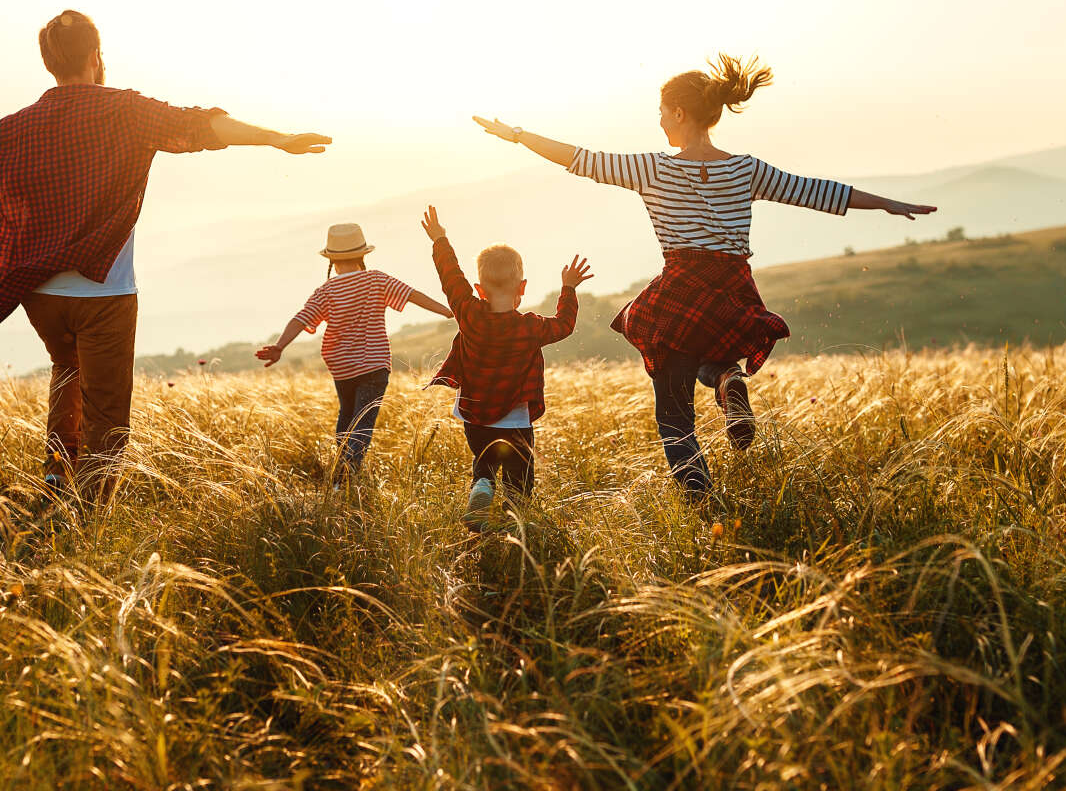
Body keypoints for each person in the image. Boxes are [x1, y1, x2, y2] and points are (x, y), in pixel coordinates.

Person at [0, 9, 332, 501]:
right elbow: (201, 126)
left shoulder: (13, 128)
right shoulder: (126, 110)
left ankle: (55, 478)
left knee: (66, 371)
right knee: (107, 413)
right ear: (96, 56)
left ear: (50, 63)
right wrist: (277, 139)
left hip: (40, 296)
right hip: (105, 294)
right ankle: (89, 516)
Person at [472, 54, 936, 498]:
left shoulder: (653, 168)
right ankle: (727, 379)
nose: (658, 121)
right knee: (707, 352)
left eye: (660, 112)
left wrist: (516, 135)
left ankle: (703, 502)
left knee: (673, 413)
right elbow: (814, 191)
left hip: (682, 286)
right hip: (733, 286)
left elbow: (579, 158)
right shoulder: (745, 168)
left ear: (678, 111)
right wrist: (887, 203)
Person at [419, 205, 592, 530]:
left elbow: (451, 278)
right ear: (522, 288)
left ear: (479, 289)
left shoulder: (468, 312)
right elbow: (564, 325)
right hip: (515, 418)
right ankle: (514, 525)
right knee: (519, 476)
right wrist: (568, 288)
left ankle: (483, 484)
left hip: (474, 414)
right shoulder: (530, 327)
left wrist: (440, 240)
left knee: (485, 460)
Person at [255, 223, 453, 481]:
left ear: (332, 260)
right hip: (374, 365)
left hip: (342, 367)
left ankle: (341, 472)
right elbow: (413, 295)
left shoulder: (326, 291)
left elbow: (300, 319)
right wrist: (448, 311)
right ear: (362, 255)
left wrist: (280, 346)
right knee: (363, 422)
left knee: (346, 416)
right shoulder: (377, 279)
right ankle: (347, 475)